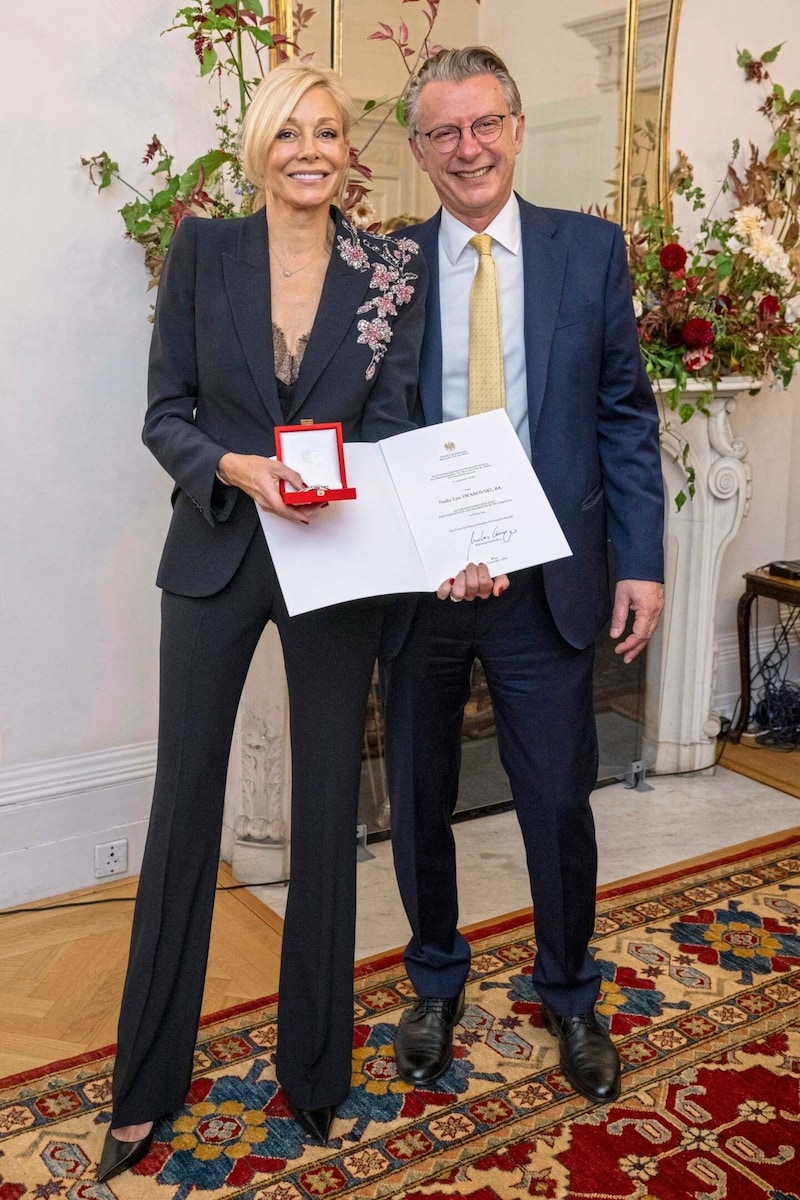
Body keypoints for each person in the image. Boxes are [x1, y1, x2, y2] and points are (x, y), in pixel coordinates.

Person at [97, 61, 428, 1183]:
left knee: (328, 805)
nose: (308, 149)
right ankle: (144, 1086)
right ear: (259, 146)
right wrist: (233, 465)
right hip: (216, 551)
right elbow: (163, 412)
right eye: (288, 130)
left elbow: (392, 418)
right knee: (183, 808)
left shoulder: (389, 268)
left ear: (347, 151)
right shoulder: (202, 254)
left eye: (326, 131)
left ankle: (316, 1072)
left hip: (335, 559)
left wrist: (373, 496)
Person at [381, 47, 665, 1106]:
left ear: (515, 124)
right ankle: (432, 980)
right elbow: (369, 431)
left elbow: (623, 417)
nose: (468, 148)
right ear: (418, 151)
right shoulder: (388, 268)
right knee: (417, 796)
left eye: (483, 123)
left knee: (555, 802)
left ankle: (568, 990)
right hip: (421, 587)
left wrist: (640, 561)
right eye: (443, 132)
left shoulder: (588, 252)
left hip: (547, 581)